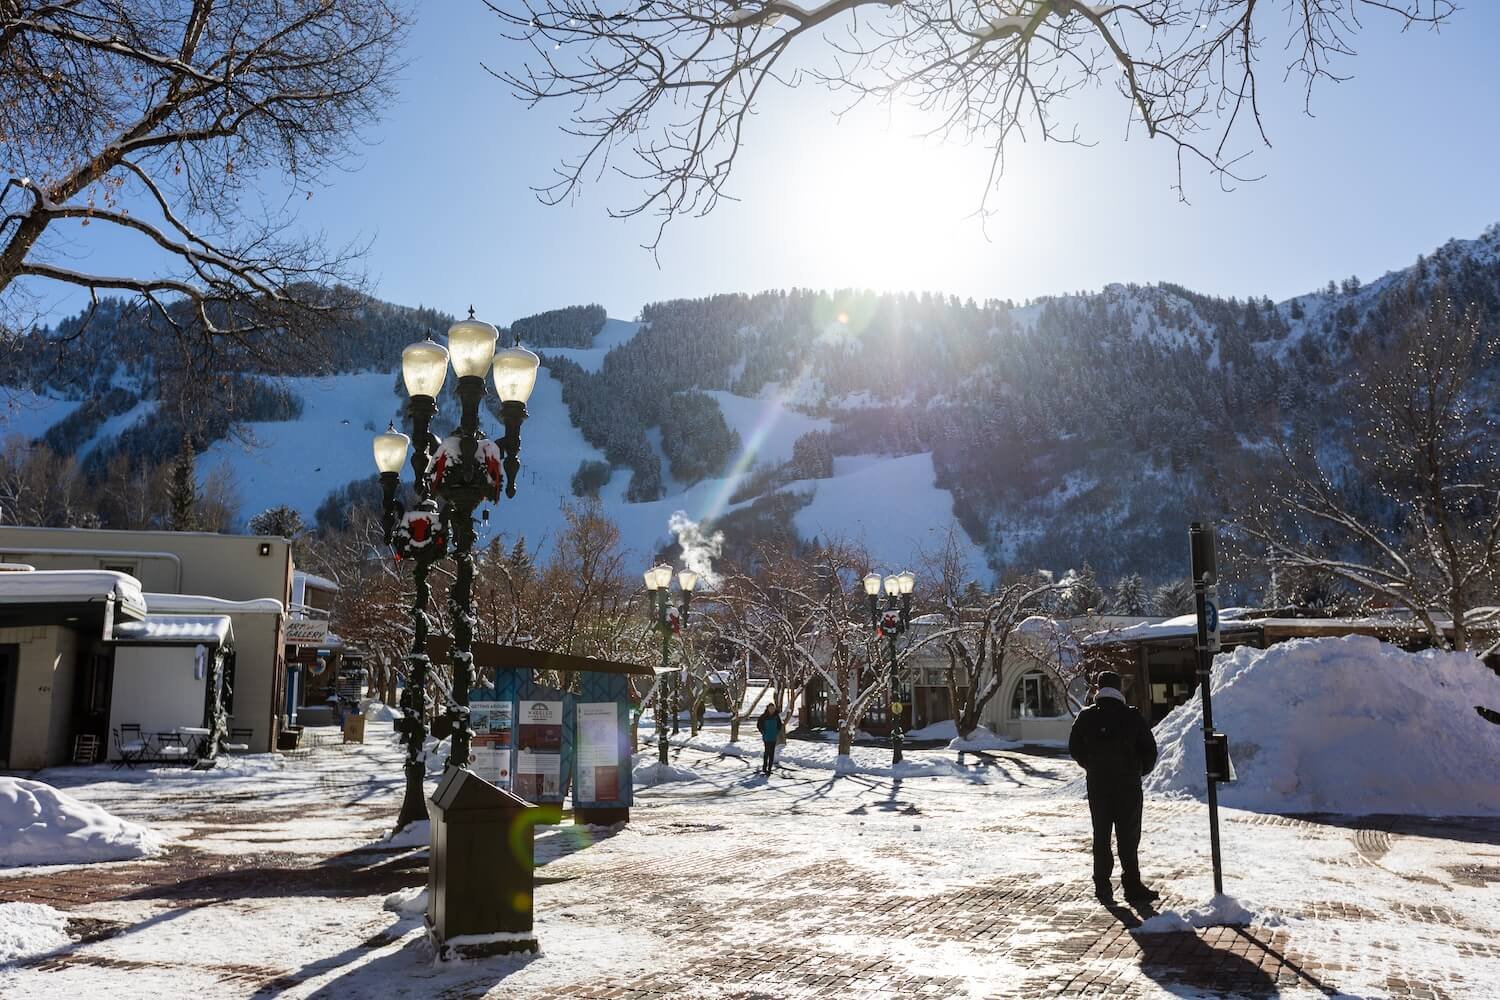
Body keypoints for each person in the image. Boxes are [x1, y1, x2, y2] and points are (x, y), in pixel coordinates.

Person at [1068, 670, 1160, 905]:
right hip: (1128, 785)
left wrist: (1090, 765)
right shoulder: (1131, 716)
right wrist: (1138, 770)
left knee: (1101, 835)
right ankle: (1132, 886)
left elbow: (1074, 748)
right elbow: (1150, 750)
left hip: (1098, 784)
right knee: (1128, 837)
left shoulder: (1086, 716)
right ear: (1119, 690)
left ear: (1098, 689)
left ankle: (1102, 886)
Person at [756, 703, 783, 775]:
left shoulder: (776, 717)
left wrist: (776, 732)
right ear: (767, 708)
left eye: (773, 708)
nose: (772, 710)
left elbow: (779, 726)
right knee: (767, 752)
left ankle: (769, 769)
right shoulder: (764, 716)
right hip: (766, 737)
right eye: (770, 708)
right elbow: (759, 725)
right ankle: (764, 767)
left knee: (772, 753)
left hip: (773, 737)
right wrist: (763, 732)